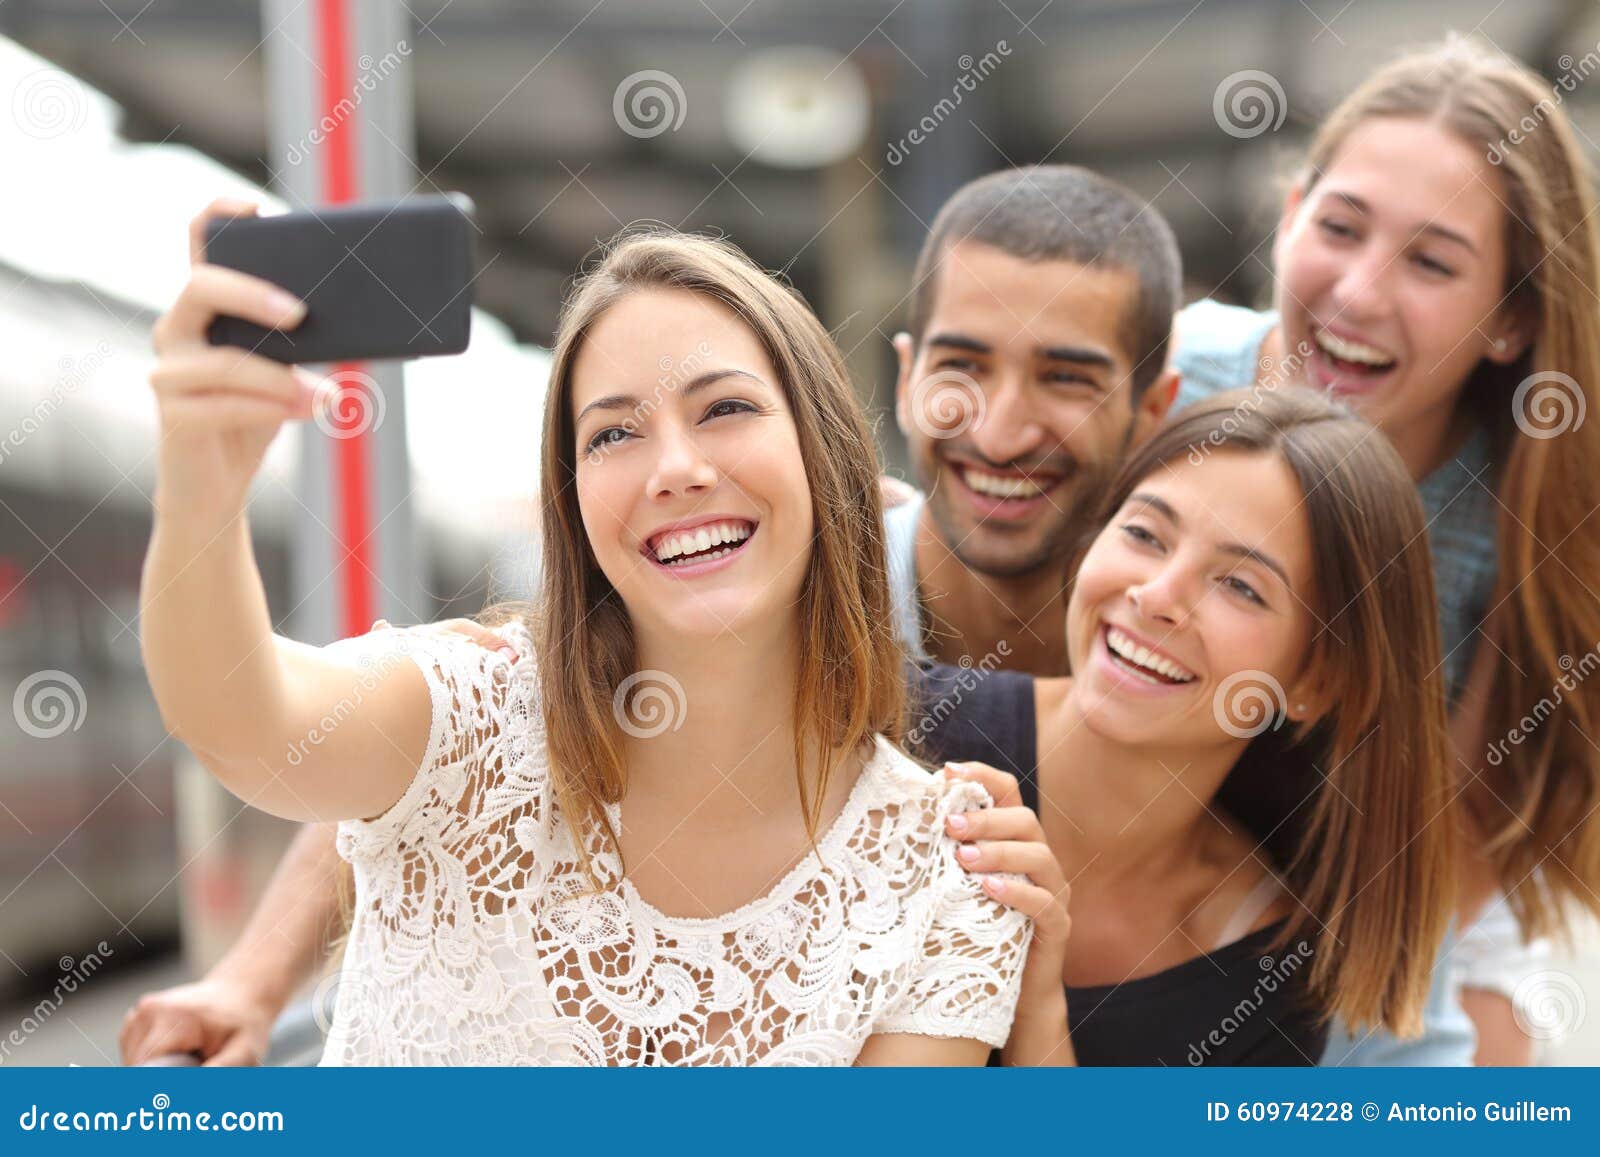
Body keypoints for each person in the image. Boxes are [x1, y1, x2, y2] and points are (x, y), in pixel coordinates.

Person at [123, 163, 1179, 1065]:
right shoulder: (466, 710)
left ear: (823, 454)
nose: (674, 467)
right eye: (612, 434)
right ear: (575, 502)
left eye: (724, 408)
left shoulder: (945, 878)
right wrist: (202, 485)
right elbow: (241, 717)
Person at [1170, 37, 1600, 1063]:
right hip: (1147, 855)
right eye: (1340, 226)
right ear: (1288, 216)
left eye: (1430, 261)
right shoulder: (1171, 383)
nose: (1358, 293)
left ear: (1510, 321)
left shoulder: (1521, 508)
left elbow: (1443, 867)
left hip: (1397, 890)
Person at [911, 387, 1459, 1064]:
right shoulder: (902, 729)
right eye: (1144, 534)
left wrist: (1038, 1010)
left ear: (1318, 679)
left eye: (1240, 586)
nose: (1158, 595)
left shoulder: (1271, 982)